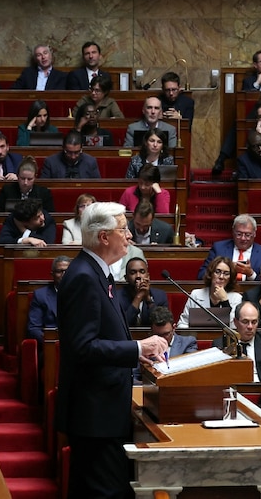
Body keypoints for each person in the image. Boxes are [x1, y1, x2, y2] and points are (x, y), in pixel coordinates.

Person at [55, 201, 168, 498]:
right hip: (95, 415)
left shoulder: (96, 272)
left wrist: (137, 351)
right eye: (123, 229)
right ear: (104, 237)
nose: (129, 236)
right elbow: (83, 347)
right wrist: (135, 348)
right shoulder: (83, 277)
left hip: (103, 410)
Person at [214, 301, 261, 382]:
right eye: (245, 322)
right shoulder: (221, 344)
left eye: (254, 322)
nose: (250, 326)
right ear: (235, 322)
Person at [199, 215, 261, 281]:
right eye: (239, 234)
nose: (243, 238)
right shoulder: (219, 249)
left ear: (254, 234)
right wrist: (224, 271)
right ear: (233, 232)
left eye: (247, 235)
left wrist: (251, 274)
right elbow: (202, 275)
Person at [178, 257, 242, 329]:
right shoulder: (196, 294)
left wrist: (225, 301)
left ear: (230, 278)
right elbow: (182, 324)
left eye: (226, 274)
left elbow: (234, 327)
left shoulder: (236, 298)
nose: (221, 277)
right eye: (217, 272)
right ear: (211, 274)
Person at [27, 256, 70, 342]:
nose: (64, 275)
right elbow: (33, 328)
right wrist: (49, 341)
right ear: (52, 274)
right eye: (59, 271)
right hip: (51, 346)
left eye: (67, 271)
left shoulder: (82, 294)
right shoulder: (40, 296)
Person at [119, 256, 168, 327]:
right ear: (126, 278)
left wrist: (148, 299)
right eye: (133, 273)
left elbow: (161, 324)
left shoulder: (160, 296)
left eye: (142, 272)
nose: (138, 276)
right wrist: (138, 297)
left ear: (148, 276)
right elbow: (122, 325)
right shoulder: (117, 297)